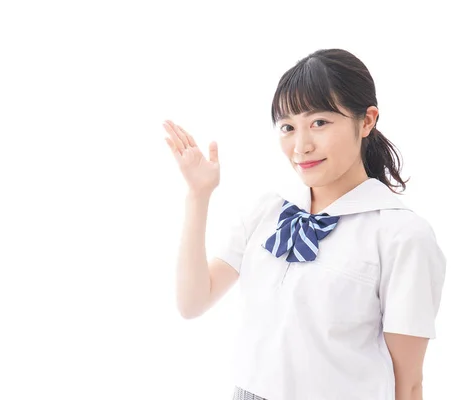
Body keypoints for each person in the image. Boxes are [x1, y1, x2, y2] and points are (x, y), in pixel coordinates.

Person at [162, 48, 446, 400]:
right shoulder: (267, 210)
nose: (301, 146)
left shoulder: (401, 236)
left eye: (320, 123)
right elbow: (192, 303)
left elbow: (409, 384)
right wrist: (198, 194)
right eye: (288, 127)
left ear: (367, 120)